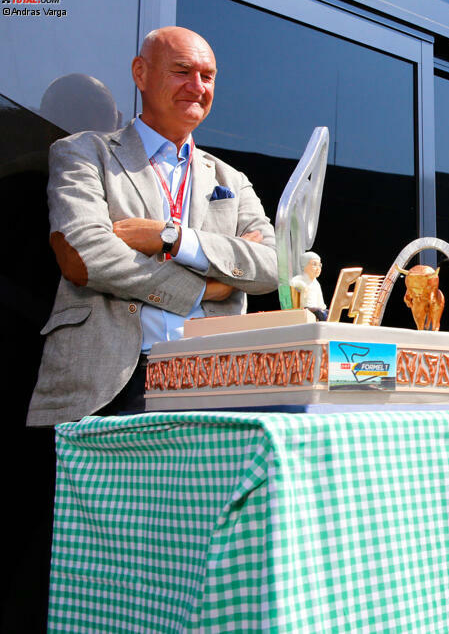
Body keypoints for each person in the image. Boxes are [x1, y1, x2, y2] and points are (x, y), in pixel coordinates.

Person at [27, 26, 277, 425]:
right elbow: (83, 256)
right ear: (140, 73)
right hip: (110, 387)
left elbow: (273, 266)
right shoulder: (84, 153)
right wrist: (210, 285)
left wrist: (175, 239)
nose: (197, 86)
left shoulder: (232, 180)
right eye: (181, 71)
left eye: (207, 76)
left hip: (214, 382)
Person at [291, 251, 328, 320]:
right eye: (314, 264)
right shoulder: (301, 278)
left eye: (319, 265)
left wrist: (323, 307)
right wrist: (302, 285)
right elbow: (292, 282)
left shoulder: (316, 283)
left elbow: (319, 298)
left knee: (329, 313)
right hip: (306, 308)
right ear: (304, 266)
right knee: (320, 313)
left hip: (316, 308)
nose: (318, 268)